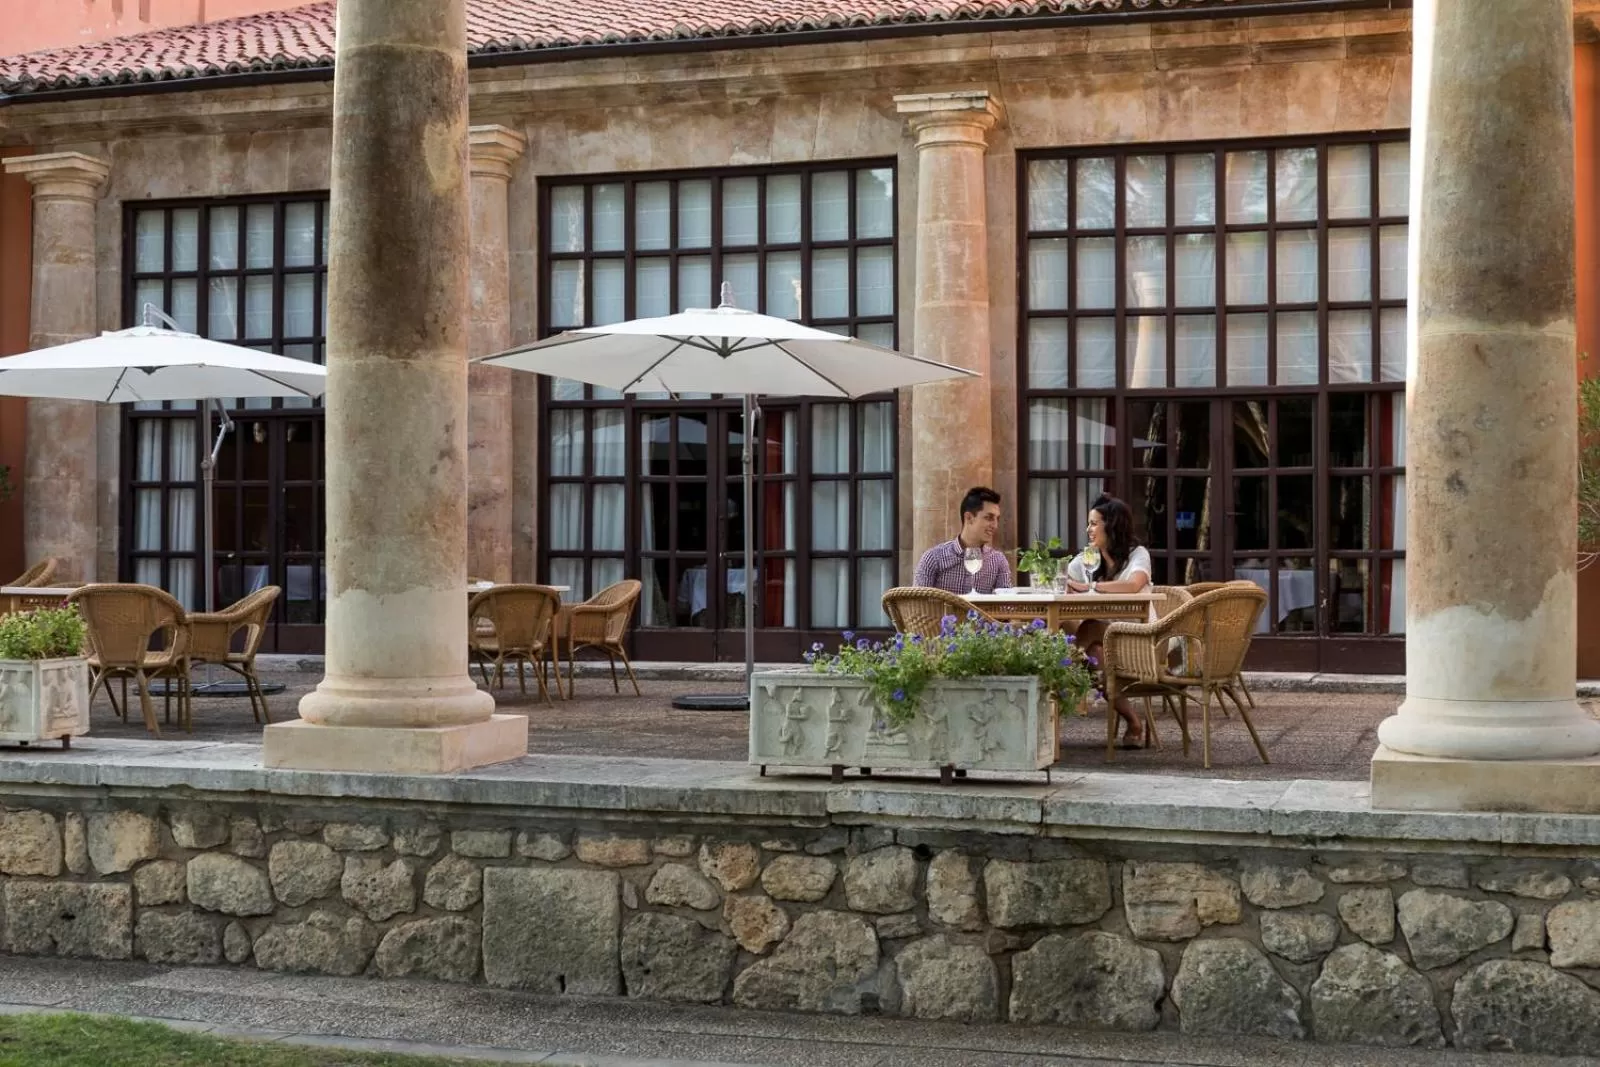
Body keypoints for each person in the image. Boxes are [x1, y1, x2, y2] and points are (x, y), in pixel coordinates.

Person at [1066, 494, 1152, 747]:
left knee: (1089, 627)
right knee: (1092, 655)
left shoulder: (1138, 554)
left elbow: (1134, 584)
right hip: (1106, 642)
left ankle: (1058, 676)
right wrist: (1067, 584)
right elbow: (1066, 580)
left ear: (1111, 525)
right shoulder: (1088, 559)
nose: (1088, 530)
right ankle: (1133, 722)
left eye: (1094, 524)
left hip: (1139, 639)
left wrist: (1092, 587)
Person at [913, 486, 1014, 595]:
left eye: (997, 519)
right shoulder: (933, 558)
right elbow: (917, 605)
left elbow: (1007, 607)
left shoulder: (998, 561)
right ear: (969, 518)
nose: (995, 525)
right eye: (989, 518)